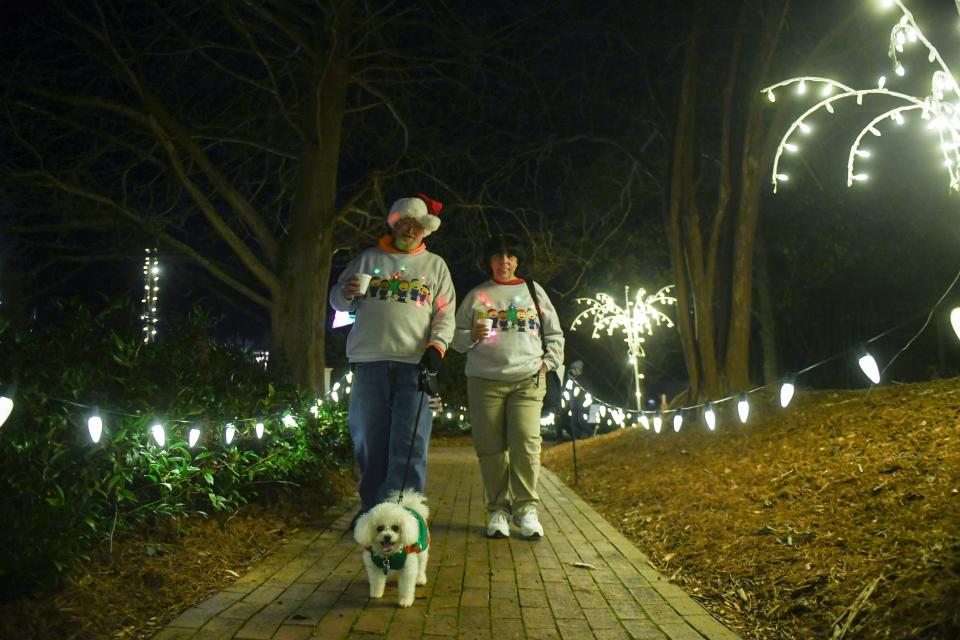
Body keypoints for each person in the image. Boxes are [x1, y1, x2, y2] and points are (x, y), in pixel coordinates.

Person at [329, 193, 456, 522]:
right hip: (369, 362)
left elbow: (445, 314)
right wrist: (346, 293)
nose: (409, 230)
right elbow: (337, 302)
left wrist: (436, 347)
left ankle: (407, 514)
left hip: (415, 366)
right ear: (393, 224)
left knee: (410, 442)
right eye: (403, 224)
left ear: (425, 229)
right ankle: (373, 512)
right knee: (369, 441)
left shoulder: (435, 266)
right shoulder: (367, 258)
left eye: (416, 225)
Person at [452, 234, 564, 539]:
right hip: (484, 382)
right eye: (498, 256)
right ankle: (498, 510)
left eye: (511, 256)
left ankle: (526, 510)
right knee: (490, 449)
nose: (505, 262)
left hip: (528, 380)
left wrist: (548, 363)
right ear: (489, 261)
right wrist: (472, 335)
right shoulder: (477, 295)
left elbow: (554, 333)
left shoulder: (533, 291)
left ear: (518, 260)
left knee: (526, 444)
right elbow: (455, 339)